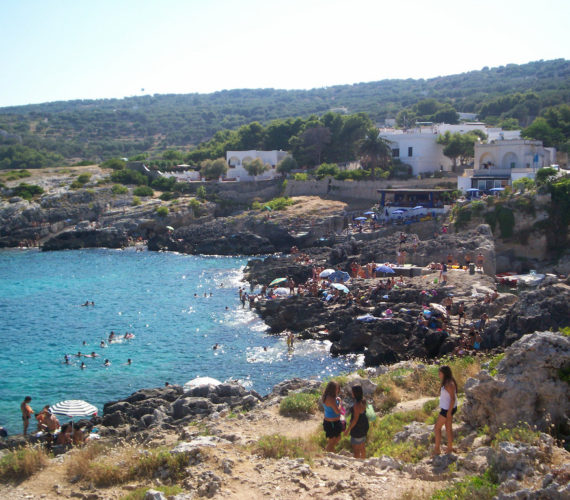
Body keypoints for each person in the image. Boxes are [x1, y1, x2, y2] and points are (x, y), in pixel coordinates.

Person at [433, 366, 458, 456]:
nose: (438, 375)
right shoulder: (448, 382)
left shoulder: (449, 384)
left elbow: (452, 399)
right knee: (448, 428)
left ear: (444, 373)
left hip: (447, 409)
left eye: (440, 373)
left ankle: (437, 449)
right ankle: (450, 447)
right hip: (449, 409)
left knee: (437, 428)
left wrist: (448, 413)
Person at [345, 385, 369, 459]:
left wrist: (348, 430)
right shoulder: (363, 400)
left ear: (355, 393)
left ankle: (357, 464)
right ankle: (364, 460)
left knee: (356, 449)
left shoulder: (356, 405)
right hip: (364, 425)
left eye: (352, 392)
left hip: (357, 428)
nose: (351, 393)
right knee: (362, 446)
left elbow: (355, 420)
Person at [322, 381, 343, 453]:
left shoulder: (327, 396)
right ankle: (326, 452)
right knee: (333, 440)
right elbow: (338, 411)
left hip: (331, 421)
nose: (338, 390)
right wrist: (340, 402)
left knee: (336, 438)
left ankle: (330, 452)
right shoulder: (331, 399)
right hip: (332, 423)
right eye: (337, 388)